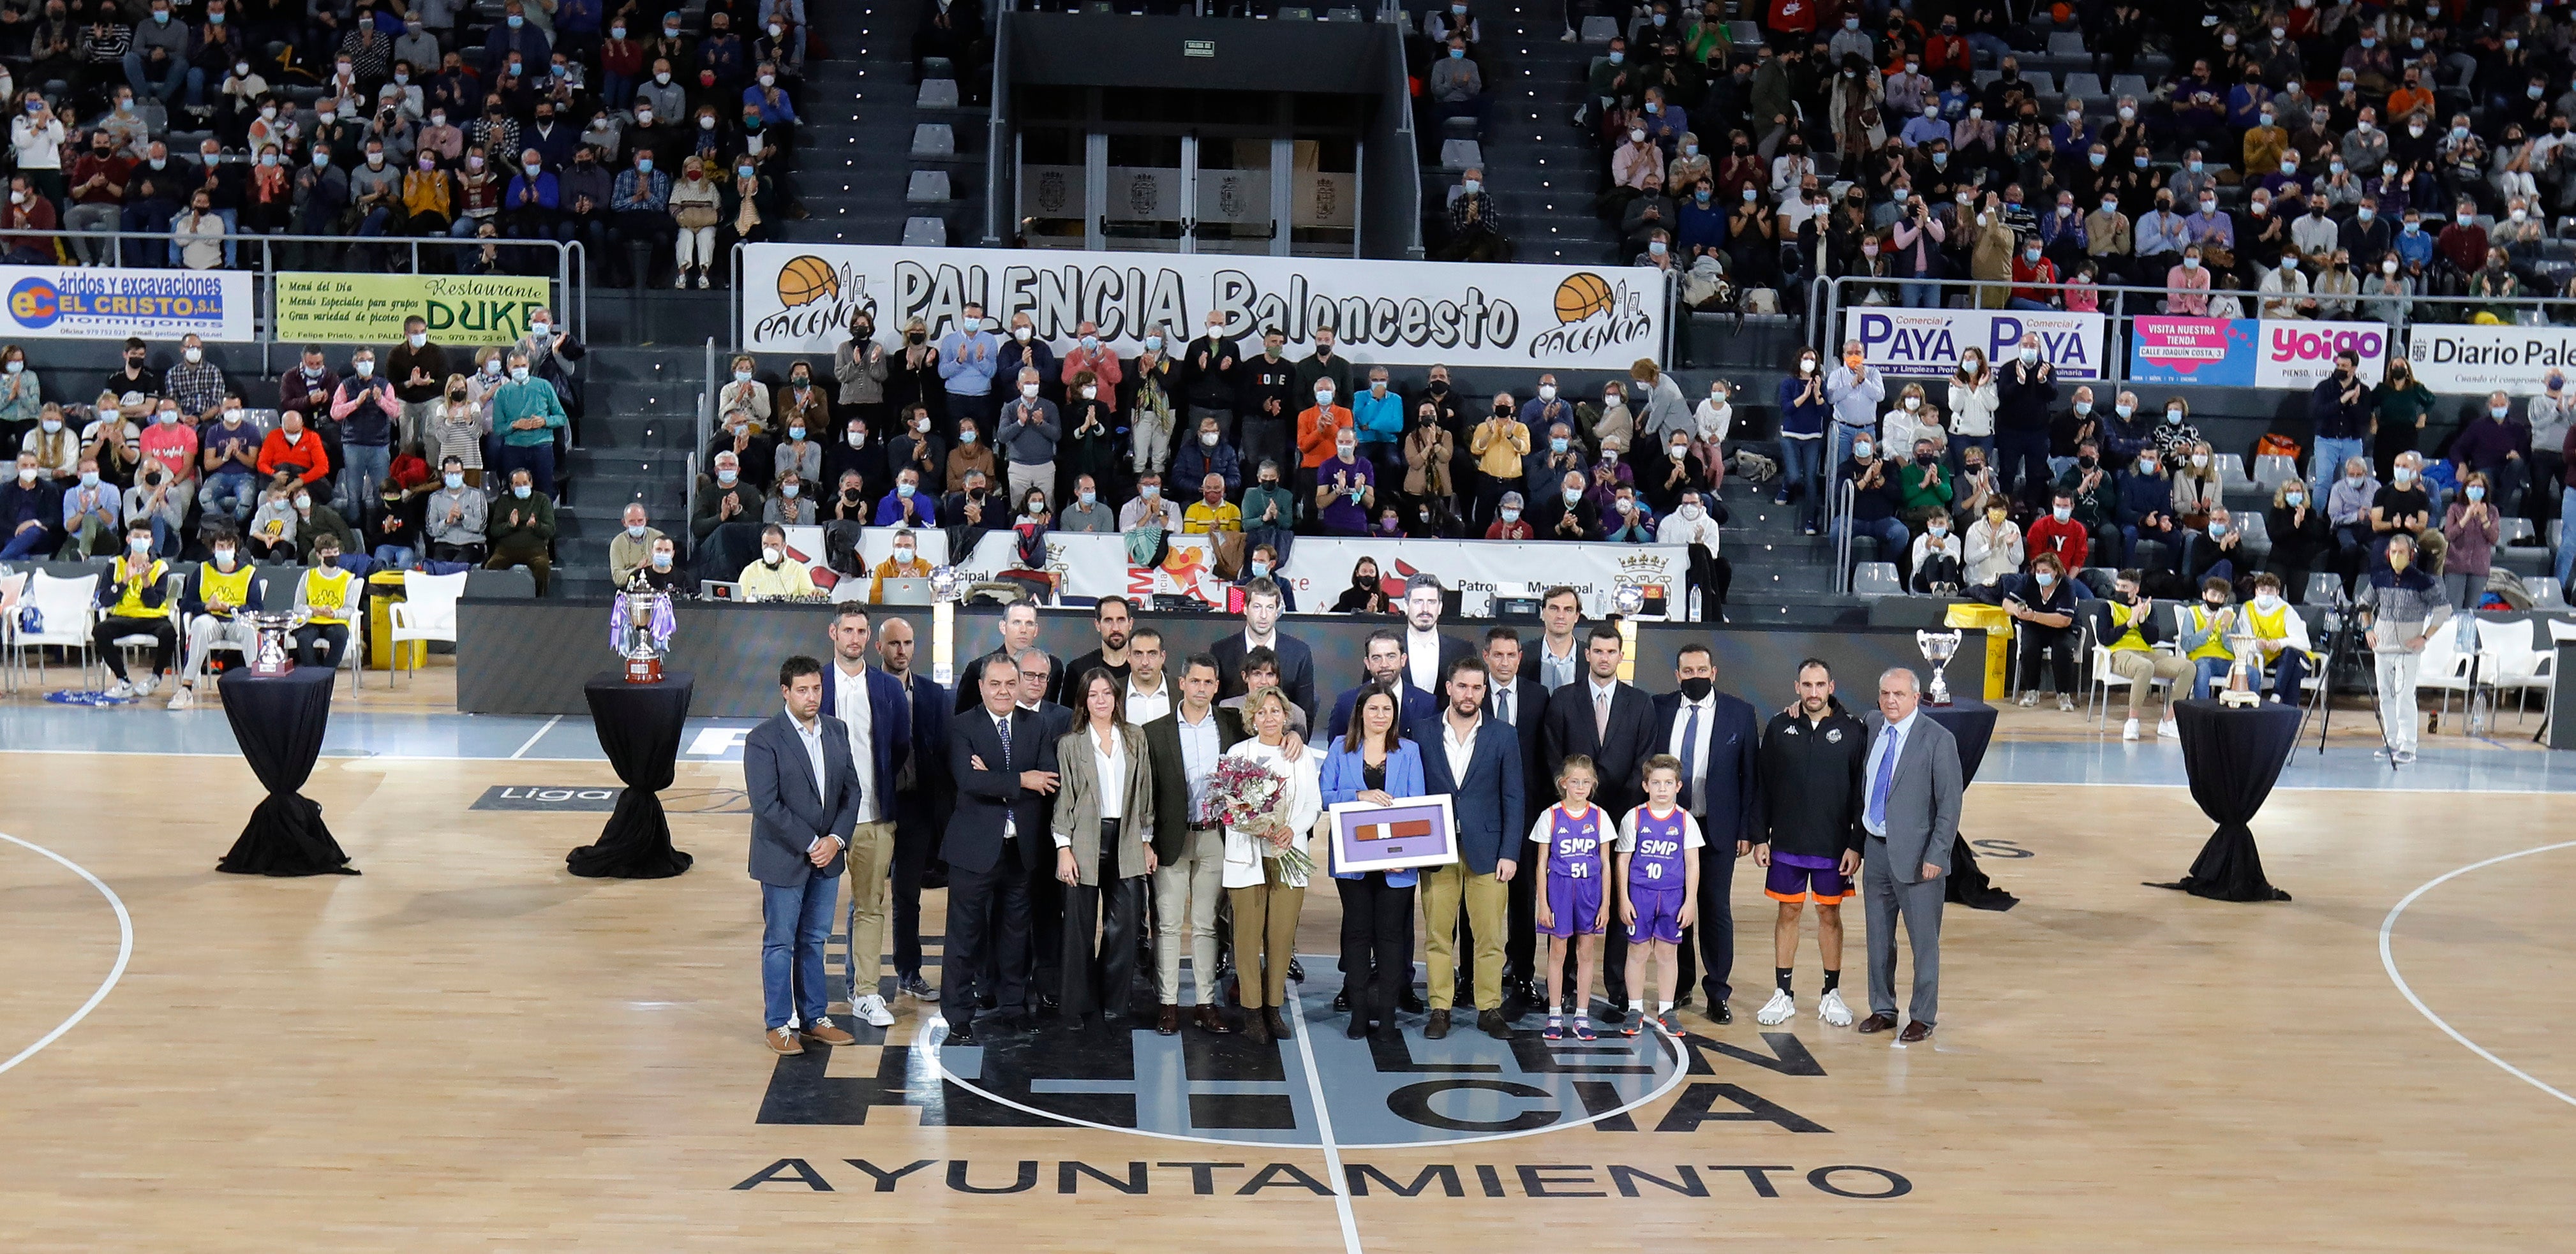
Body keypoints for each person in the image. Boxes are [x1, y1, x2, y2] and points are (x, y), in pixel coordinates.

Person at [743, 655, 861, 1056]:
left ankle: (814, 1018)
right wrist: (814, 843)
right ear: (785, 692)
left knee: (814, 940)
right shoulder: (763, 738)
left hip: (828, 858)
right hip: (785, 858)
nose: (812, 697)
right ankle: (778, 1023)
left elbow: (852, 793)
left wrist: (837, 841)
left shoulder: (838, 731)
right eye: (803, 690)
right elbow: (766, 805)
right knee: (780, 943)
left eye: (817, 688)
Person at [941, 653, 1059, 1044]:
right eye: (996, 684)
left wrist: (996, 777)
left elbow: (1045, 781)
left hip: (1020, 851)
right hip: (973, 852)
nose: (1004, 691)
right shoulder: (963, 726)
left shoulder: (1036, 724)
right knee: (964, 936)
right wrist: (1020, 779)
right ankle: (958, 1013)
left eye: (1011, 684)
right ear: (981, 686)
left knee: (1015, 934)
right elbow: (967, 781)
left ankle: (1012, 1007)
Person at [1412, 655, 1524, 1041]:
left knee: (1491, 936)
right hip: (1436, 849)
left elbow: (1514, 796)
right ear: (1448, 688)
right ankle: (1440, 1008)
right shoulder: (1422, 732)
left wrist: (1510, 852)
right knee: (1438, 935)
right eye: (1463, 686)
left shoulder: (1503, 734)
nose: (1470, 694)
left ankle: (1488, 1008)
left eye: (1478, 687)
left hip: (1489, 852)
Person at [1648, 642, 1762, 1023]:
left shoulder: (1740, 713)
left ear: (1713, 673)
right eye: (1687, 671)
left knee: (1715, 908)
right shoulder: (1659, 709)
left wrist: (1747, 828)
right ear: (1677, 675)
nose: (1695, 677)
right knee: (1676, 908)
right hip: (1668, 829)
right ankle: (1680, 985)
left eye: (1702, 671)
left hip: (1718, 829)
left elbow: (1750, 776)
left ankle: (1717, 991)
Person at [1752, 659, 1867, 1026]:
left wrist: (1856, 843)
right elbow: (1763, 785)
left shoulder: (1853, 731)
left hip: (1834, 845)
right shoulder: (1779, 726)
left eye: (1820, 685)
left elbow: (1860, 795)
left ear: (1832, 686)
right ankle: (1783, 994)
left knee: (1829, 914)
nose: (1813, 692)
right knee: (1788, 912)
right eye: (1807, 685)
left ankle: (1831, 993)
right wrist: (1759, 836)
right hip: (1786, 841)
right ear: (1796, 687)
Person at [1855, 667, 1962, 1044]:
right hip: (1876, 850)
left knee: (1924, 943)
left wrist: (1938, 853)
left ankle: (1923, 1016)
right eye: (1885, 693)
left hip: (1920, 859)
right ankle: (1883, 1008)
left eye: (1899, 694)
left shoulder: (1938, 740)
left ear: (1917, 698)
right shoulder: (1873, 726)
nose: (1891, 701)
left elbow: (1950, 804)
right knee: (1879, 938)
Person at [817, 605, 911, 1028]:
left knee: (870, 906)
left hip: (874, 818)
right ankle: (807, 997)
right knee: (811, 913)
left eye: (861, 631)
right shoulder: (814, 685)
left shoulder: (888, 689)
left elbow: (899, 747)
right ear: (833, 633)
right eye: (847, 630)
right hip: (821, 822)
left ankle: (867, 993)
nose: (854, 638)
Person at [1051, 667, 1156, 1028]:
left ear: (1116, 698)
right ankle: (1080, 1006)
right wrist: (1063, 848)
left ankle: (1112, 1000)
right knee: (1078, 929)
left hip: (1126, 838)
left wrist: (1146, 841)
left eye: (1107, 694)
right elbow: (1064, 800)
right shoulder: (1070, 744)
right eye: (1093, 694)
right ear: (1083, 700)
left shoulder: (1135, 738)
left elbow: (1145, 793)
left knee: (1125, 926)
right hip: (1083, 841)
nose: (1100, 700)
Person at [1321, 684, 1426, 1040]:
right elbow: (1323, 796)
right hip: (1354, 861)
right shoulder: (1339, 748)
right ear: (1360, 713)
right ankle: (1359, 1012)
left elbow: (1417, 806)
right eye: (1373, 709)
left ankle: (1388, 1016)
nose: (1380, 716)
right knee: (1357, 933)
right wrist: (1359, 796)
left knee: (1391, 937)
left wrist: (1406, 856)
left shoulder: (1409, 751)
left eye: (1387, 710)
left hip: (1398, 864)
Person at [1145, 654, 1240, 1036]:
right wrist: (1145, 841)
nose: (1202, 689)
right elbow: (1145, 793)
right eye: (1195, 681)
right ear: (1181, 683)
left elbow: (1279, 727)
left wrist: (1297, 735)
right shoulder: (1155, 731)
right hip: (1171, 838)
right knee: (1167, 925)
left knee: (1206, 925)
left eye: (1209, 683)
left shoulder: (1233, 726)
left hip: (1216, 837)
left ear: (1217, 687)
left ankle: (1205, 1003)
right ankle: (1168, 1003)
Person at [1222, 684, 1321, 1045]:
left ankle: (1273, 1007)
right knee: (1247, 938)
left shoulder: (1302, 756)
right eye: (1261, 711)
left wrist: (1292, 830)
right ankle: (1251, 1010)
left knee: (1280, 938)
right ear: (1252, 717)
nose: (1268, 717)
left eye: (1275, 711)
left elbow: (1313, 803)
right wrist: (1257, 826)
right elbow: (1228, 807)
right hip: (1247, 857)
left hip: (1289, 856)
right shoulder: (1238, 753)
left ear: (1286, 716)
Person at [875, 617, 948, 1007]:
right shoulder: (867, 691)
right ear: (879, 648)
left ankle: (908, 973)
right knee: (866, 898)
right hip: (877, 807)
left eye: (907, 643)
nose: (901, 650)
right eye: (894, 644)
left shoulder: (934, 694)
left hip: (918, 807)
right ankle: (861, 981)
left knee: (907, 895)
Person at [1613, 755, 1702, 1038]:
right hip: (1640, 894)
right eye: (1656, 783)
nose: (1662, 789)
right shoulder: (1634, 817)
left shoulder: (1686, 820)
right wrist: (1623, 898)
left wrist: (1690, 902)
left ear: (1678, 786)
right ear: (1645, 785)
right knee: (1638, 951)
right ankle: (1635, 1009)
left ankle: (1666, 1010)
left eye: (1667, 783)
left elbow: (1693, 864)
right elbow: (1623, 861)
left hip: (1673, 896)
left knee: (1667, 953)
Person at [1527, 754, 1610, 1041]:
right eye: (1575, 781)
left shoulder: (1600, 816)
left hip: (1589, 890)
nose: (1580, 786)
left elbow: (1607, 864)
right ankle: (1554, 1014)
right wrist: (1543, 903)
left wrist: (1606, 903)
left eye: (1586, 782)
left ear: (1593, 785)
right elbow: (1541, 864)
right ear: (1563, 783)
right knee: (1558, 952)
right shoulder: (1550, 815)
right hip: (1560, 890)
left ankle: (1582, 1016)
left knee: (1585, 954)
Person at [2356, 532, 2446, 764]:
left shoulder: (2422, 581)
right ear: (2388, 554)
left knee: (2405, 695)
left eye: (2402, 552)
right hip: (2382, 647)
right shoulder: (2379, 578)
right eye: (2394, 552)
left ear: (2412, 554)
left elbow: (2443, 610)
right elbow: (2364, 604)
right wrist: (2368, 629)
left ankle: (2409, 745)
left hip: (2408, 649)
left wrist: (2425, 637)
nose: (2397, 556)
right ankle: (2392, 741)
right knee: (2386, 695)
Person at [169, 526, 260, 709]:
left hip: (236, 621)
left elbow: (256, 608)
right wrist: (205, 607)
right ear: (213, 549)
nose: (225, 550)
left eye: (229, 546)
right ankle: (186, 689)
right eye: (221, 546)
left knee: (250, 627)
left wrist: (231, 608)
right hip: (212, 620)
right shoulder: (202, 570)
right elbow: (185, 604)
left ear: (235, 549)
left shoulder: (249, 572)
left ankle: (255, 686)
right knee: (199, 625)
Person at [2094, 570, 2188, 740]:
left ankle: (2168, 721)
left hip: (2146, 652)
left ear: (2136, 590)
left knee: (2187, 667)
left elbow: (2152, 639)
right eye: (2118, 585)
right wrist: (2129, 624)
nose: (2119, 590)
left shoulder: (2148, 608)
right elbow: (2105, 638)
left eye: (2125, 587)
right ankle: (2133, 721)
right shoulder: (2107, 607)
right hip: (2119, 653)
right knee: (2145, 667)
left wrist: (2142, 620)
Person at [93, 519, 175, 699]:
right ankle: (123, 681)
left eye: (146, 537)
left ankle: (155, 677)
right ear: (129, 539)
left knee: (169, 633)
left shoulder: (161, 567)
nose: (141, 541)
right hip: (124, 616)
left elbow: (154, 603)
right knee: (100, 630)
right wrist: (125, 581)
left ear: (151, 542)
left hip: (153, 618)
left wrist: (146, 582)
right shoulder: (115, 564)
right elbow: (104, 599)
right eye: (137, 537)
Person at [1212, 578, 1314, 716]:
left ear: (1277, 611)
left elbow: (1305, 712)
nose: (1263, 615)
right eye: (1257, 607)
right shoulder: (1221, 652)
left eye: (1270, 608)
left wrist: (1294, 735)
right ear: (1245, 608)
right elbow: (1214, 708)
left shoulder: (1300, 654)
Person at [1328, 628, 1438, 739]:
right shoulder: (1346, 703)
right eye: (1377, 658)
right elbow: (1336, 750)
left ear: (1403, 660)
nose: (1384, 665)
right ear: (1367, 663)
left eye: (1391, 657)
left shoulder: (1427, 704)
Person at [2005, 552, 2081, 709]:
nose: (2041, 575)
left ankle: (2063, 695)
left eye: (2045, 572)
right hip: (2034, 627)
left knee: (2063, 649)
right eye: (2039, 571)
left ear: (2056, 571)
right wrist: (2016, 610)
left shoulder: (2066, 584)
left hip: (2062, 629)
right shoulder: (2029, 581)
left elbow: (2064, 620)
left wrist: (2034, 616)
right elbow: (2007, 603)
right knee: (2029, 647)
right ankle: (2031, 691)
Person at [2237, 572, 2314, 703]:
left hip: (2299, 657)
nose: (2266, 594)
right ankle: (2290, 715)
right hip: (2271, 661)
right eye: (2262, 590)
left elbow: (2305, 643)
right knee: (2294, 670)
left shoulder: (2286, 610)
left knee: (2290, 653)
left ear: (2277, 592)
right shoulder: (2248, 609)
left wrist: (2281, 643)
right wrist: (2257, 645)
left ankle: (2277, 694)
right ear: (2256, 591)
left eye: (2270, 591)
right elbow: (2244, 639)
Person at [954, 601, 1041, 712]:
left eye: (1029, 623)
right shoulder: (978, 668)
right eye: (1017, 622)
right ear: (1003, 627)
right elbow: (963, 719)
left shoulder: (1051, 668)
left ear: (1036, 630)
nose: (1023, 630)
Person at [292, 531, 359, 670]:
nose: (333, 556)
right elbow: (298, 606)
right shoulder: (308, 576)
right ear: (319, 555)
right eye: (328, 553)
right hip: (312, 620)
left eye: (335, 552)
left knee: (340, 636)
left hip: (335, 621)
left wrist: (334, 614)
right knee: (303, 638)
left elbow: (350, 609)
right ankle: (313, 673)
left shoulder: (348, 578)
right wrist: (314, 610)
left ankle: (327, 672)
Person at [485, 468, 556, 594]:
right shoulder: (504, 501)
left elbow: (550, 530)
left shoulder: (542, 500)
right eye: (517, 484)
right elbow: (494, 531)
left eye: (525, 483)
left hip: (535, 549)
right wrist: (510, 525)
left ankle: (540, 602)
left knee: (542, 567)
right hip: (505, 550)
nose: (521, 487)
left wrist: (535, 526)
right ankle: (495, 603)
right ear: (511, 487)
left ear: (531, 483)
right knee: (491, 567)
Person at [1059, 594, 1135, 702]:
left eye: (1121, 620)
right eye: (1108, 621)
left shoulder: (1146, 668)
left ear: (1130, 624)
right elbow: (1070, 717)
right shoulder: (1078, 670)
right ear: (1098, 625)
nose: (1115, 628)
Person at [737, 522, 816, 600]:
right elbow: (739, 603)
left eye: (774, 545)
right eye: (765, 544)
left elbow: (810, 598)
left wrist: (817, 594)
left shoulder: (798, 569)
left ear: (784, 546)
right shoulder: (749, 571)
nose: (769, 549)